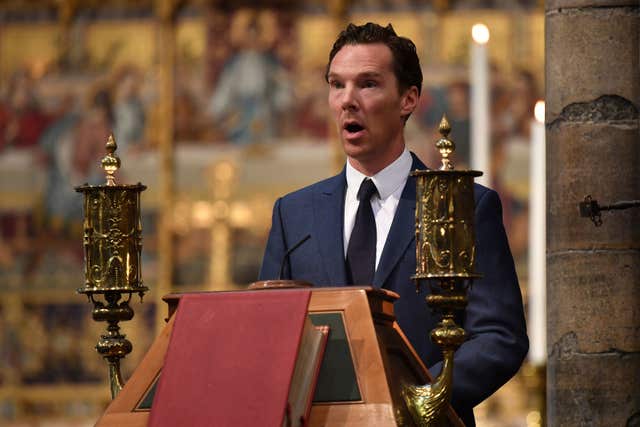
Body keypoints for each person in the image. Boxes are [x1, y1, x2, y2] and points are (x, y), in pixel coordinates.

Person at [259, 22, 528, 426]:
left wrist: (414, 399)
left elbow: (500, 337)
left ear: (408, 99)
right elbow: (269, 335)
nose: (347, 100)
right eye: (337, 85)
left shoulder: (465, 205)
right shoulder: (293, 213)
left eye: (367, 84)